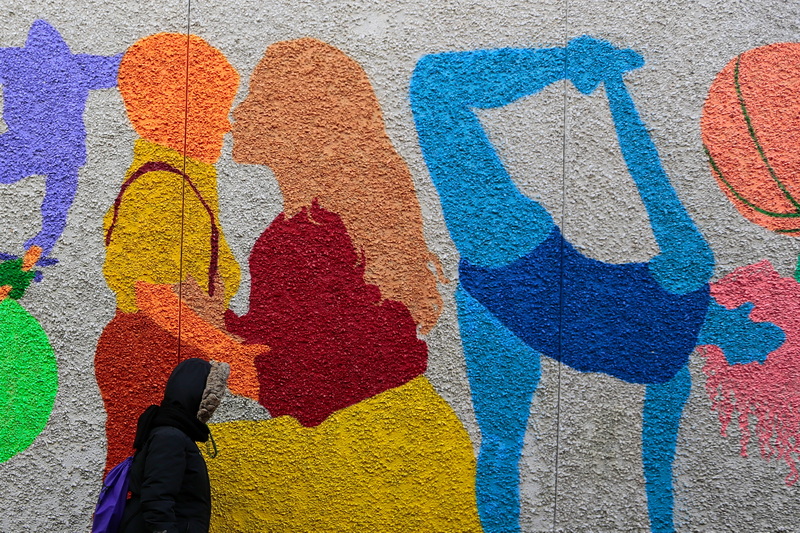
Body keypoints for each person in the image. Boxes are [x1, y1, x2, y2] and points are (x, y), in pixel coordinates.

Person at [205, 38, 481, 532]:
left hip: (365, 464)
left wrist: (200, 330)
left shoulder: (301, 238)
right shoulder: (343, 222)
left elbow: (298, 385)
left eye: (254, 97)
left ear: (293, 121)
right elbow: (310, 343)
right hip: (415, 443)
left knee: (171, 477)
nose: (237, 112)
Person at [94, 33, 266, 474]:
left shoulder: (186, 182)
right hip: (146, 352)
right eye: (216, 108)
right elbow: (153, 294)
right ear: (172, 111)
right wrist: (236, 356)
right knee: (145, 482)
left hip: (161, 354)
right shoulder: (161, 185)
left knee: (151, 478)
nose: (226, 125)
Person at [119, 357, 229, 533]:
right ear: (197, 395)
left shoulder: (174, 433)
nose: (215, 405)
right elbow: (157, 502)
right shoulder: (170, 437)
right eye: (212, 397)